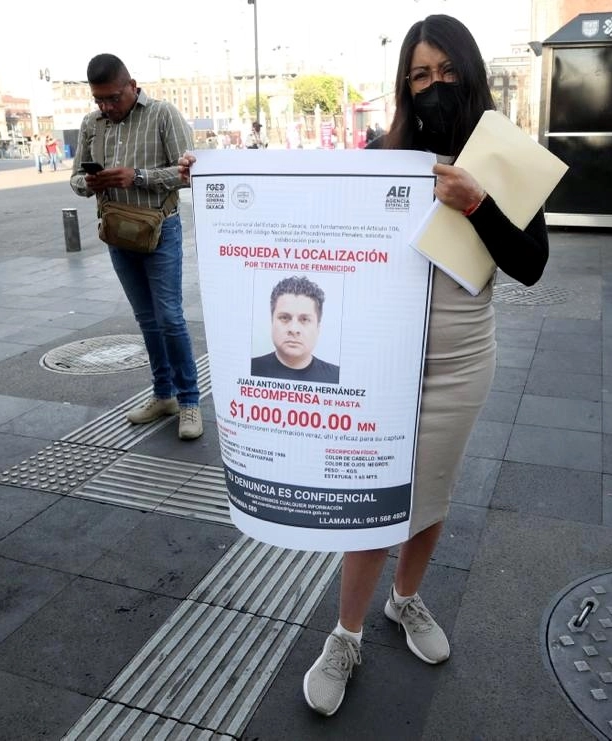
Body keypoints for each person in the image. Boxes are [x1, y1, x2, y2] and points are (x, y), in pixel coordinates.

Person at [179, 14, 549, 717]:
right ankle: (345, 635)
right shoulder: (384, 154)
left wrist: (477, 204)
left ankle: (405, 600)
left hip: (462, 359)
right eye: (420, 74)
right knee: (374, 503)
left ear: (470, 71)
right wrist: (222, 177)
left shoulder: (505, 154)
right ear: (404, 86)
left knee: (431, 495)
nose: (435, 85)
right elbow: (306, 209)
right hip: (384, 362)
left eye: (447, 70)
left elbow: (531, 263)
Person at [70, 53, 202, 441]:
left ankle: (189, 400)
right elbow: (75, 178)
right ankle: (163, 394)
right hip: (117, 231)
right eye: (99, 100)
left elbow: (189, 173)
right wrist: (89, 183)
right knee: (146, 319)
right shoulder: (91, 124)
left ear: (132, 85)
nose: (106, 107)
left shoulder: (163, 114)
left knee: (170, 318)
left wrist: (137, 177)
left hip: (160, 229)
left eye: (113, 98)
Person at [251, 275, 340, 383]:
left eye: (304, 319)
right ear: (272, 322)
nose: (293, 329)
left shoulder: (337, 377)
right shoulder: (249, 369)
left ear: (318, 328)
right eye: (284, 318)